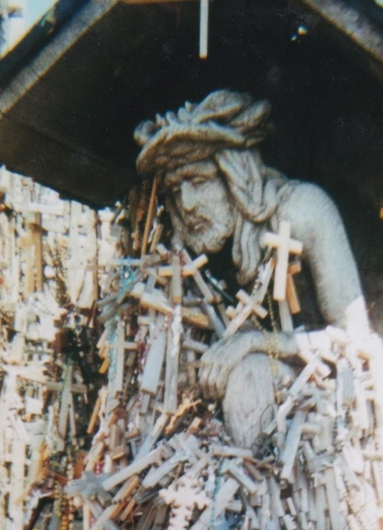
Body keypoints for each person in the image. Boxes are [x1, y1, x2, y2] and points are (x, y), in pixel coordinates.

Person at [135, 89, 370, 441]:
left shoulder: (302, 211)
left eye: (198, 181)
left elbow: (357, 343)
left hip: (314, 400)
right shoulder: (187, 245)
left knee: (250, 373)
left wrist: (254, 344)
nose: (186, 204)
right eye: (175, 190)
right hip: (219, 411)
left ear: (236, 175)